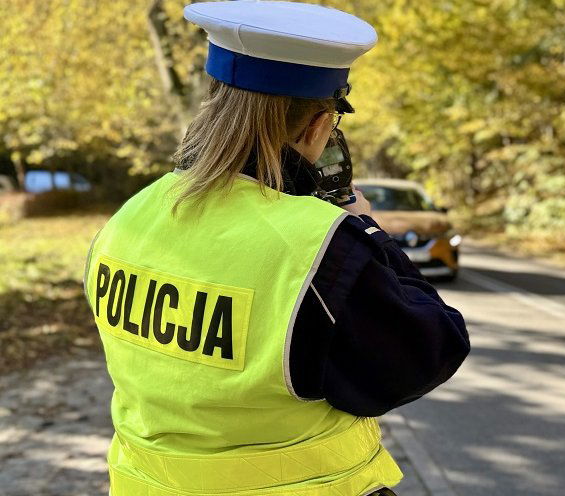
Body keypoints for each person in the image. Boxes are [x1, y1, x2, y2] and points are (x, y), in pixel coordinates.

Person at [82, 2, 470, 495]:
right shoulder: (321, 243)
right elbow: (429, 352)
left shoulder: (130, 216)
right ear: (317, 126)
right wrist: (369, 230)